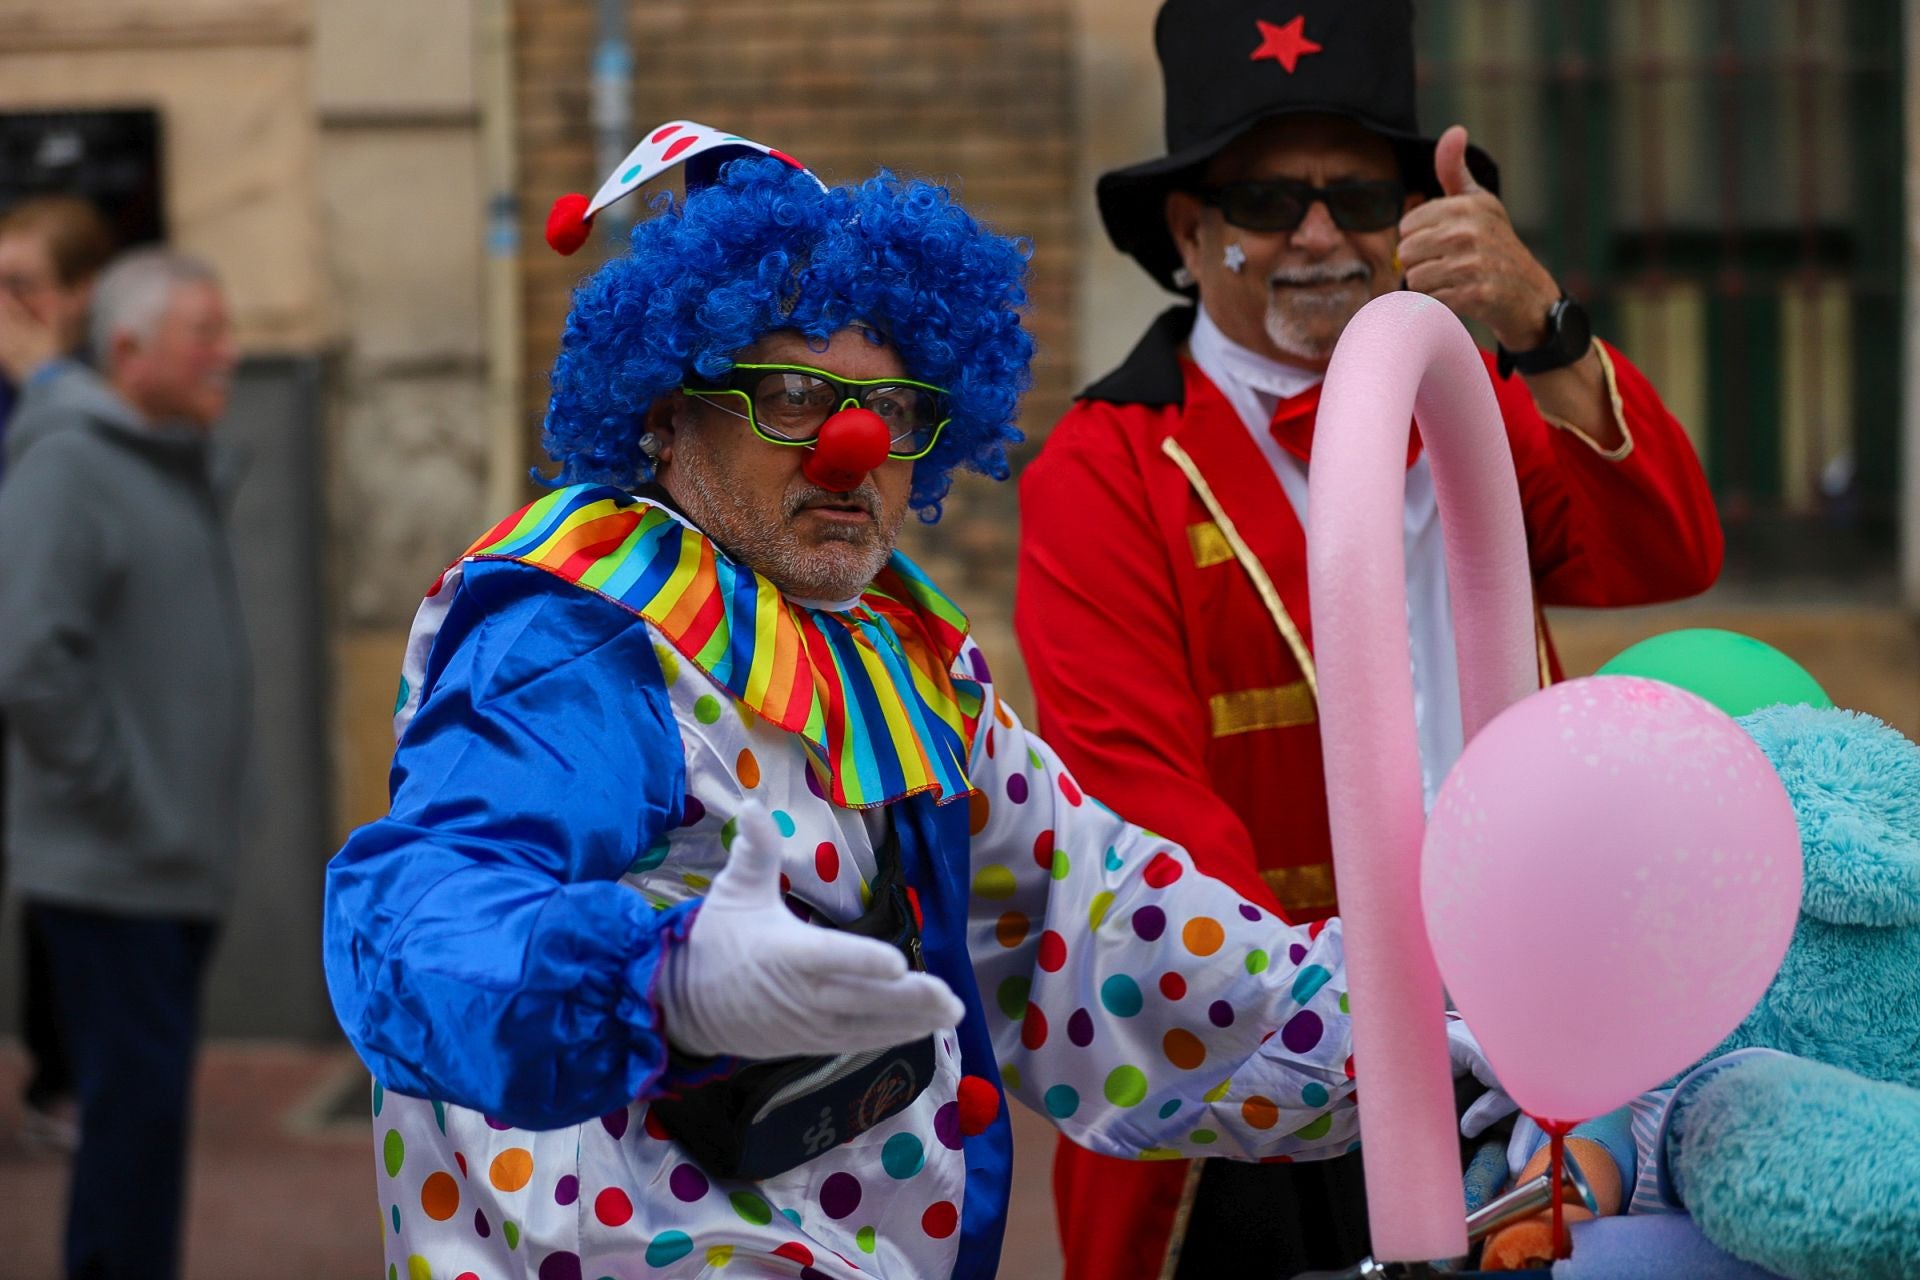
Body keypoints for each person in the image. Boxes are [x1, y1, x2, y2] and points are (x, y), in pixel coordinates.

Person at [322, 136, 1499, 1280]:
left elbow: (1086, 920)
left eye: (900, 407)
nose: (854, 445)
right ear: (664, 416)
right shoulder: (579, 635)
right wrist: (655, 978)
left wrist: (1411, 1032)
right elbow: (418, 922)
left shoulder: (902, 658)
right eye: (792, 394)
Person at [1015, 2, 1724, 1277]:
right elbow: (1145, 802)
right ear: (1192, 228)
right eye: (1268, 198)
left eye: (1357, 192)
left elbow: (1670, 547)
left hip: (1534, 1042)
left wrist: (1542, 324)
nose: (1322, 233)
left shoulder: (1478, 401)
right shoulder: (1107, 462)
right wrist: (1376, 1031)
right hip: (1259, 1082)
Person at [0, 248, 248, 1280]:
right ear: (129, 347)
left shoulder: (167, 455)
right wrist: (123, 797)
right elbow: (26, 659)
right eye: (204, 332)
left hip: (168, 855)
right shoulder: (68, 461)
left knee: (143, 1125)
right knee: (130, 1128)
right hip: (113, 865)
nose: (228, 354)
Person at [0, 195, 116, 1153]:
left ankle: (62, 1076)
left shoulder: (83, 396)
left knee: (56, 890)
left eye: (22, 286)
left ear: (78, 294)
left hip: (60, 682)